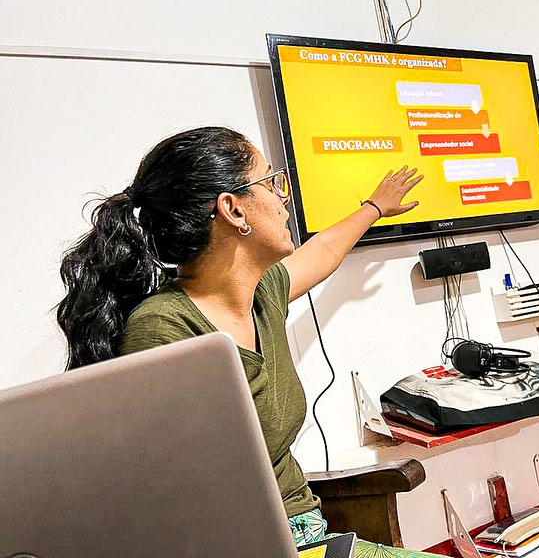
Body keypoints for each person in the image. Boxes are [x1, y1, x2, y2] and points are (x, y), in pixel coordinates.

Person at [57, 126, 435, 555]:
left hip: (311, 535)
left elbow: (325, 249)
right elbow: (171, 496)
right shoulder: (165, 331)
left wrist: (375, 207)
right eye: (272, 182)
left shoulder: (261, 293)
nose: (284, 199)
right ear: (233, 210)